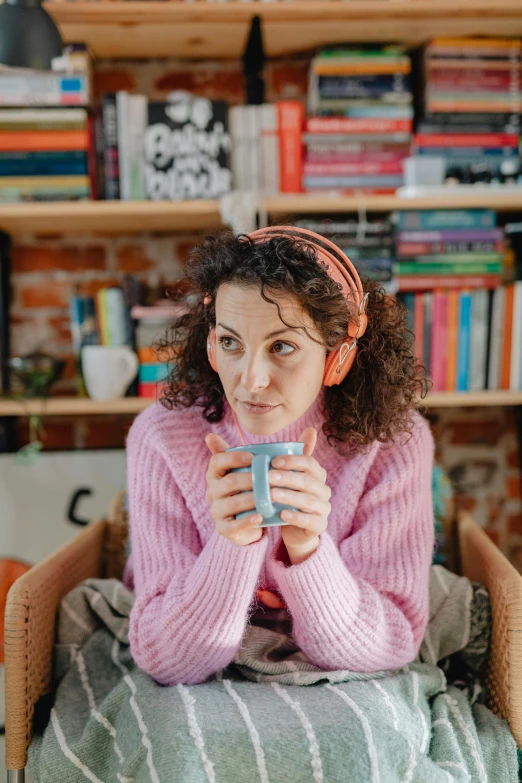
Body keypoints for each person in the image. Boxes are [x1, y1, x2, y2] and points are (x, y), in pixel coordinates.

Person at [123, 226, 434, 686]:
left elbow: (390, 645)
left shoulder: (393, 444)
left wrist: (308, 548)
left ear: (337, 358)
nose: (251, 380)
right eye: (230, 343)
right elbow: (165, 660)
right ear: (210, 345)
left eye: (282, 347)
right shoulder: (161, 439)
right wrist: (233, 544)